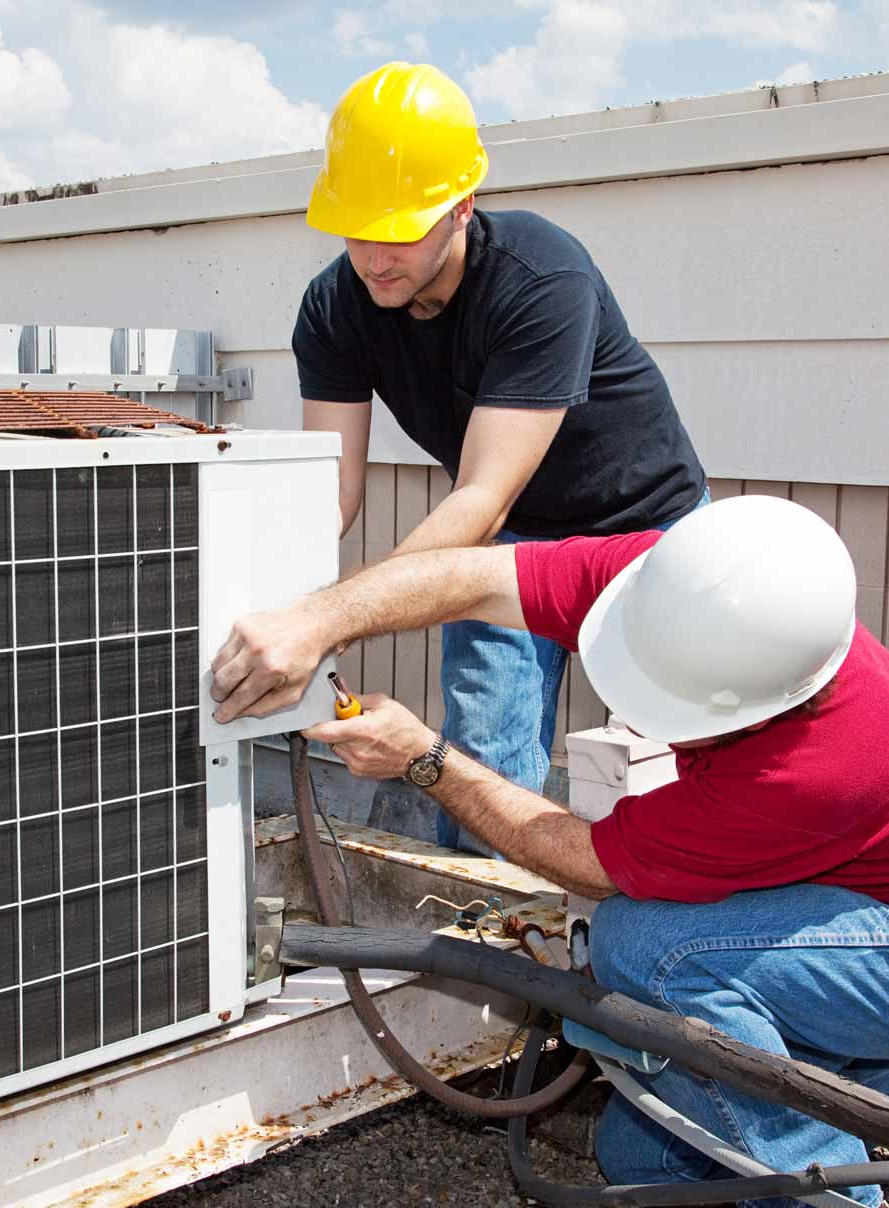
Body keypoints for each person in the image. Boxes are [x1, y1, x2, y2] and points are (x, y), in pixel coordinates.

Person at [210, 495, 889, 1208]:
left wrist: (426, 759)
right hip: (876, 896)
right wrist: (321, 616)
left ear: (752, 707)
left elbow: (584, 860)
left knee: (648, 951)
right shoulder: (681, 585)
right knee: (631, 1157)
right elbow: (473, 575)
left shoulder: (814, 769)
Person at [294, 60, 707, 852]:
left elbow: (482, 493)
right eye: (359, 229)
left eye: (403, 229)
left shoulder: (540, 276)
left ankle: (672, 941)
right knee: (480, 760)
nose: (377, 257)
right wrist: (283, 600)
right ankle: (492, 951)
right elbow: (332, 491)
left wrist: (330, 620)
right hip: (511, 541)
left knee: (690, 752)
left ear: (461, 208)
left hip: (648, 533)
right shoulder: (334, 307)